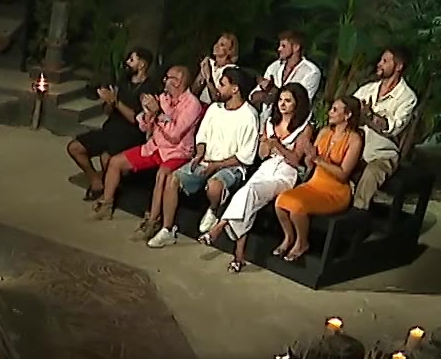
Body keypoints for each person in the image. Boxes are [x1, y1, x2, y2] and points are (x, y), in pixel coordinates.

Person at [146, 65, 261, 248]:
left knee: (214, 186)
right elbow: (202, 137)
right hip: (206, 160)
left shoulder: (249, 115)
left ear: (235, 89)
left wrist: (217, 165)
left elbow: (245, 156)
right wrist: (199, 154)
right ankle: (167, 229)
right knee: (173, 179)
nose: (218, 88)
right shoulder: (214, 109)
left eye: (222, 84)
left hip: (232, 166)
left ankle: (214, 210)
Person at [206, 82, 314, 273]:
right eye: (280, 100)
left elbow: (295, 160)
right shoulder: (270, 123)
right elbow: (263, 155)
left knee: (250, 192)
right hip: (266, 168)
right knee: (247, 198)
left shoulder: (304, 128)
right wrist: (264, 145)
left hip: (285, 173)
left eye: (288, 101)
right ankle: (238, 257)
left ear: (297, 104)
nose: (282, 104)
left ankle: (220, 226)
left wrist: (277, 145)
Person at [92, 65, 203, 221]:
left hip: (177, 152)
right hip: (154, 147)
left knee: (162, 175)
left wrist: (158, 113)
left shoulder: (192, 105)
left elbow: (175, 135)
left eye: (168, 78)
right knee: (115, 162)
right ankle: (106, 204)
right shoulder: (163, 98)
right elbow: (144, 126)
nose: (164, 81)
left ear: (178, 81)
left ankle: (153, 219)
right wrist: (148, 113)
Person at [273, 94, 366, 262]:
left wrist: (318, 160)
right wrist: (308, 155)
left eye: (335, 110)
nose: (330, 112)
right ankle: (289, 237)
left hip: (335, 191)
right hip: (314, 183)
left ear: (348, 115)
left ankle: (302, 243)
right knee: (281, 201)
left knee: (297, 207)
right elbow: (311, 163)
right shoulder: (324, 132)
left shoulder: (354, 140)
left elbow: (343, 174)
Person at [68, 46, 156, 199]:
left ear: (142, 64)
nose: (127, 63)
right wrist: (108, 101)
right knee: (74, 148)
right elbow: (108, 111)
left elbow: (136, 120)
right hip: (110, 129)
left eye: (131, 60)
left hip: (131, 134)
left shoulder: (150, 88)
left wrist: (116, 102)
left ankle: (110, 192)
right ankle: (96, 181)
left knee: (106, 157)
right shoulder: (123, 82)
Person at [351, 45, 420, 208]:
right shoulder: (367, 89)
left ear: (398, 66)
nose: (379, 64)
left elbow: (393, 128)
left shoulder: (407, 97)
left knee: (371, 173)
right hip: (354, 148)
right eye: (381, 60)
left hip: (381, 154)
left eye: (384, 61)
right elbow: (349, 109)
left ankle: (358, 212)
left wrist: (369, 116)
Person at [250, 29, 323, 124]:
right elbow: (253, 96)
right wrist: (266, 93)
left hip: (294, 124)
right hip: (267, 121)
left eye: (283, 46)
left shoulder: (311, 72)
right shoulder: (274, 67)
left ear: (296, 47)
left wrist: (272, 91)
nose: (279, 49)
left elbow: (301, 102)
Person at [197, 33, 240, 104]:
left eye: (222, 45)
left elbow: (217, 99)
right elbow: (194, 90)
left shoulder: (232, 71)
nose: (216, 46)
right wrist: (202, 72)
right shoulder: (210, 63)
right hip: (201, 103)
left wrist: (208, 78)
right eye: (217, 43)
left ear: (230, 51)